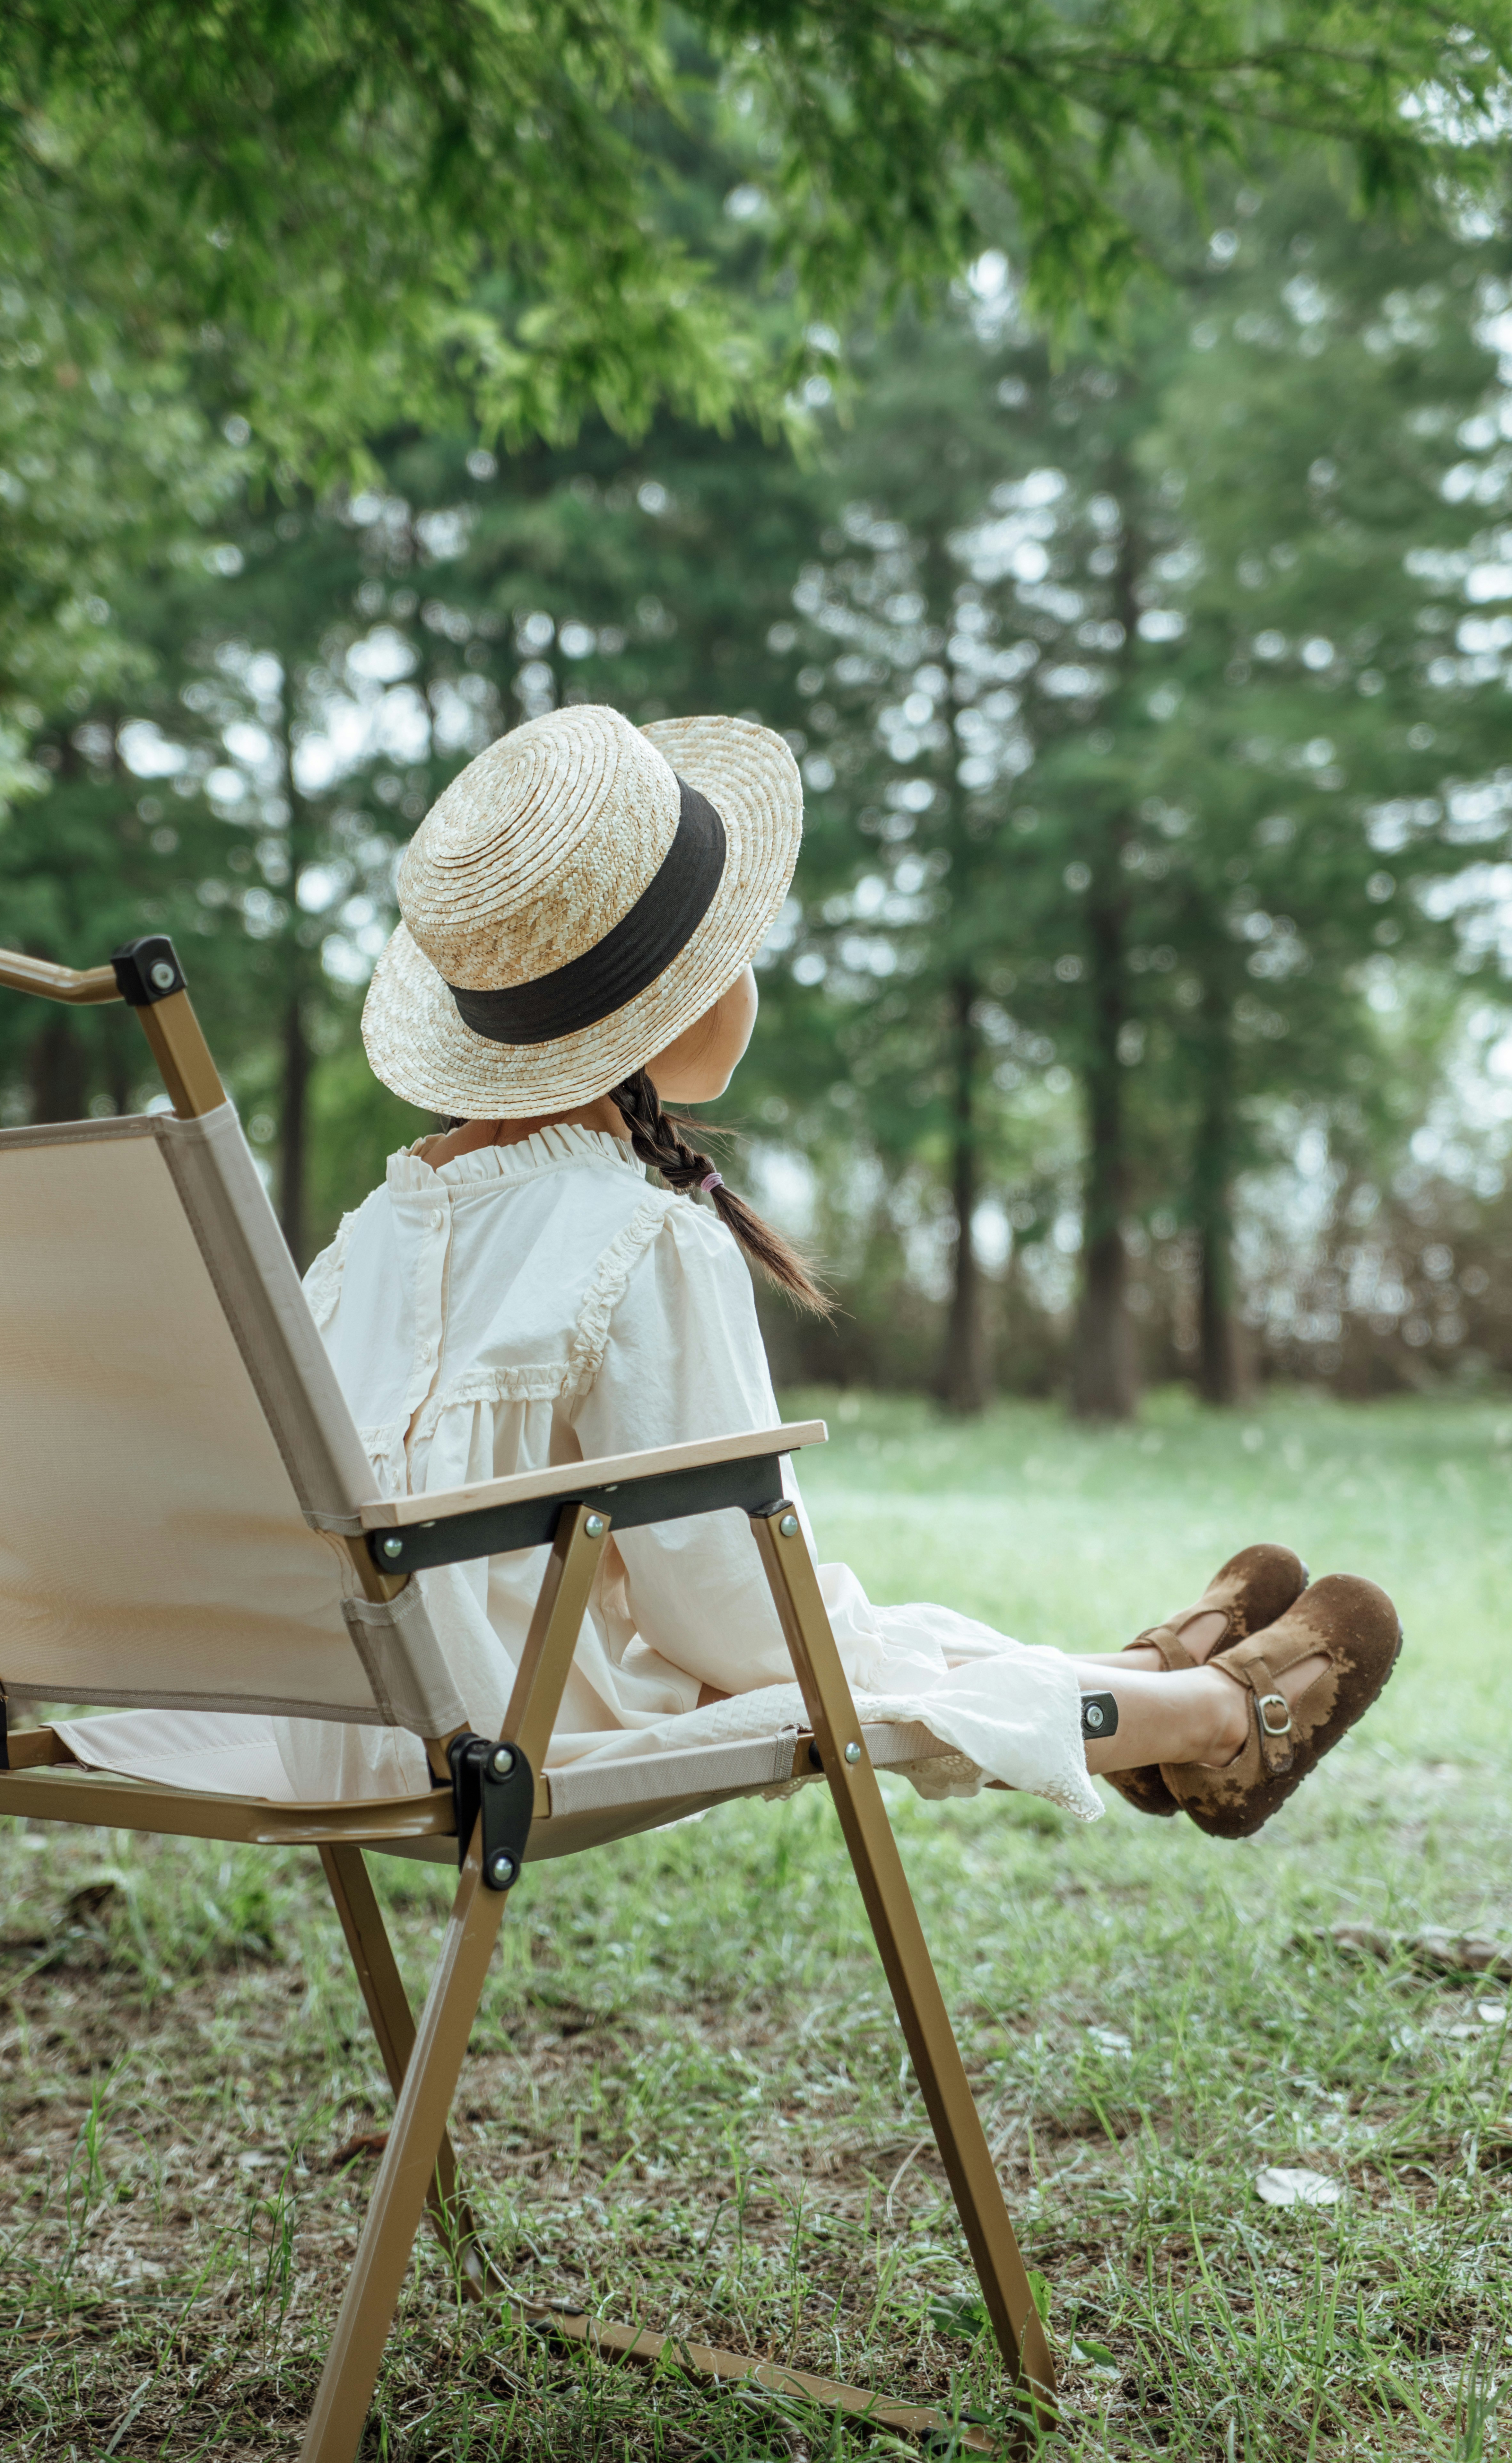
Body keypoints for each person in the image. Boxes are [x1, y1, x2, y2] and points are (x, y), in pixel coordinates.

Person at [272, 703, 1399, 1836]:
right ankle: (1211, 1719)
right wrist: (847, 1633)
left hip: (345, 1728)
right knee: (838, 1651)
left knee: (856, 1637)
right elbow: (739, 1622)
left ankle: (1129, 1679)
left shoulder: (369, 1233)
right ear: (692, 997)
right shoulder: (635, 1235)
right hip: (515, 1731)